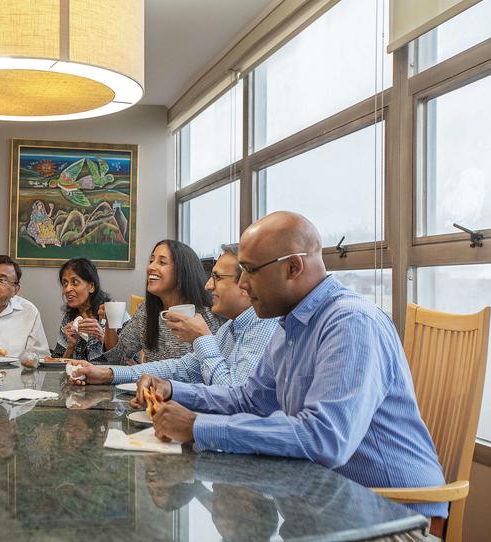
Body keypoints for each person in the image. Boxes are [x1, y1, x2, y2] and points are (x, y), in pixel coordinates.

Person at [135, 211, 448, 525]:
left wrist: (197, 426)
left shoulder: (351, 323)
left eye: (250, 271)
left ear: (293, 267)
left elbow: (323, 438)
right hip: (324, 506)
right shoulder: (288, 324)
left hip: (391, 514)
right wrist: (174, 388)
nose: (243, 284)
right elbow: (249, 401)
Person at [71, 244, 277, 386]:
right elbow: (182, 368)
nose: (208, 285)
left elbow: (234, 394)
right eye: (151, 260)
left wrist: (202, 339)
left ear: (245, 284)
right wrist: (107, 374)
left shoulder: (262, 325)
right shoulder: (230, 328)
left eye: (217, 277)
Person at [97, 239, 223, 364]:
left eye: (162, 262)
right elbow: (117, 357)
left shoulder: (208, 315)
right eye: (151, 261)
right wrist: (110, 323)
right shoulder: (146, 311)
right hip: (150, 384)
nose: (150, 267)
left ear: (181, 272)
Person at [50, 257, 126, 362]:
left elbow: (131, 362)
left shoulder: (114, 312)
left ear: (91, 286)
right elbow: (55, 364)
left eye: (74, 282)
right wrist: (71, 346)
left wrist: (102, 337)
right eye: (65, 283)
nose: (67, 289)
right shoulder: (68, 319)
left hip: (108, 378)